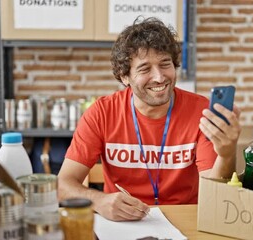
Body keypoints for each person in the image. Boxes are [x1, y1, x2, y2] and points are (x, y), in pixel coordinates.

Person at [58, 17, 241, 222]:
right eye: (145, 69)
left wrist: (226, 155)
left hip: (186, 222)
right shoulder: (101, 113)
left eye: (165, 64)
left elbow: (215, 193)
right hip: (123, 225)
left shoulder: (201, 112)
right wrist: (99, 201)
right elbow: (63, 184)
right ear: (124, 76)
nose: (159, 77)